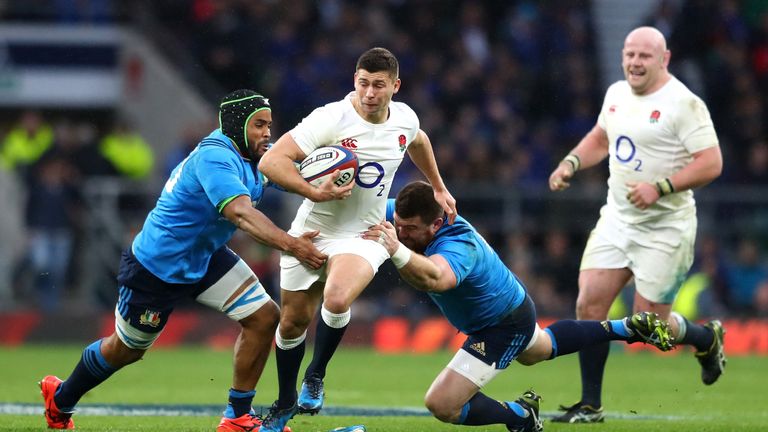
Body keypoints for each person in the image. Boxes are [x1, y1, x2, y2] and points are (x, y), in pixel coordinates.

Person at [38, 89, 338, 431]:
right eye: (259, 125)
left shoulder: (254, 155)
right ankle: (60, 399)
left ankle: (237, 417)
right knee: (127, 350)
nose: (267, 132)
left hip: (207, 256)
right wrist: (293, 245)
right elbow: (240, 214)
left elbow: (284, 173)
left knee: (264, 316)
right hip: (158, 266)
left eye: (269, 124)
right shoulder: (215, 158)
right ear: (237, 125)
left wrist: (320, 183)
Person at [362, 180, 673, 432]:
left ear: (436, 224)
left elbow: (436, 279)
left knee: (442, 404)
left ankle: (520, 416)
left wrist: (396, 249)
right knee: (541, 348)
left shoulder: (457, 241)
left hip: (502, 322)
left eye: (410, 230)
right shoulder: (409, 218)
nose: (401, 232)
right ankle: (624, 327)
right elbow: (365, 208)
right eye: (398, 226)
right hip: (510, 307)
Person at [257, 47, 457, 432]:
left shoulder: (404, 118)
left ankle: (314, 376)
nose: (369, 93)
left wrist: (439, 187)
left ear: (395, 86)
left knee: (336, 297)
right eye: (363, 83)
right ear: (354, 81)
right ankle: (283, 403)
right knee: (292, 324)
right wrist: (312, 191)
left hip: (364, 232)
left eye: (378, 85)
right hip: (313, 229)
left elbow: (418, 140)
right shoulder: (330, 118)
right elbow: (271, 162)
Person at [547, 26, 726, 423]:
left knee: (650, 328)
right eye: (630, 54)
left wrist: (661, 187)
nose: (634, 62)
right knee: (589, 303)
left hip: (665, 227)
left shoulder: (683, 103)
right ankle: (590, 404)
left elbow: (712, 162)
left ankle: (705, 338)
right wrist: (570, 163)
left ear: (664, 59)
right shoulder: (616, 94)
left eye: (644, 56)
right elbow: (600, 136)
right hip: (618, 218)